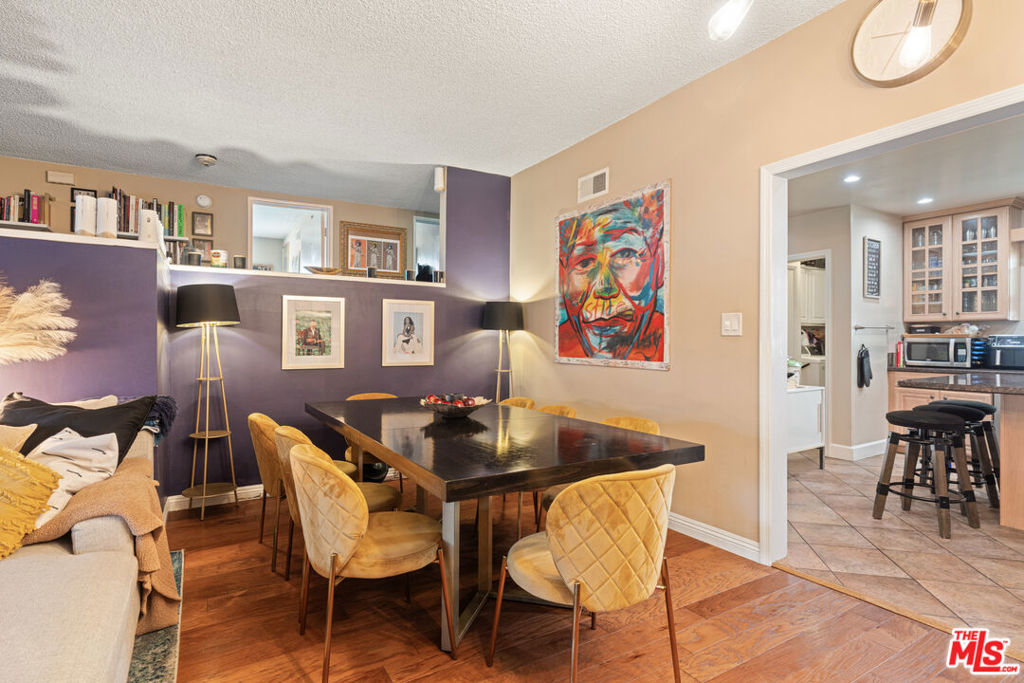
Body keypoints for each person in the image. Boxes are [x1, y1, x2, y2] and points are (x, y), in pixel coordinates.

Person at [557, 187, 665, 362]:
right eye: (584, 263)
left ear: (659, 265)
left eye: (625, 254)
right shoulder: (561, 345)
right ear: (563, 278)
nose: (604, 288)